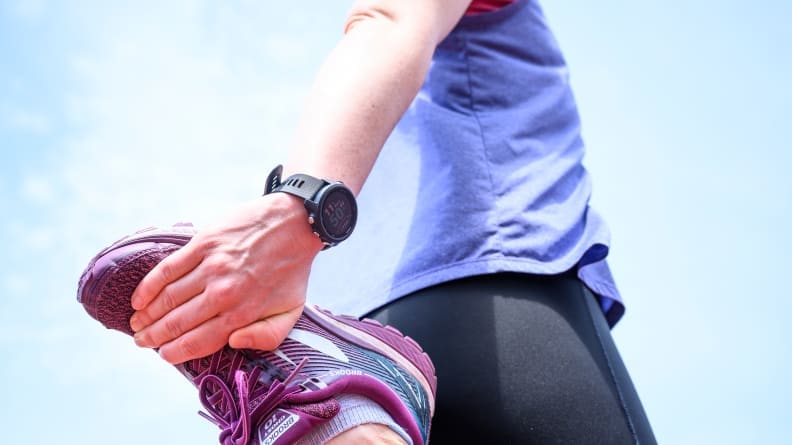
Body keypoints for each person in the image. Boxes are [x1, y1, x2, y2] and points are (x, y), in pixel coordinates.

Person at [127, 0, 657, 443]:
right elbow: (393, 19)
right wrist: (297, 210)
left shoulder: (316, 75)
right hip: (494, 299)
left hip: (343, 358)